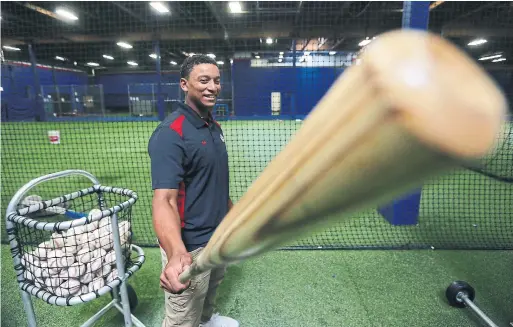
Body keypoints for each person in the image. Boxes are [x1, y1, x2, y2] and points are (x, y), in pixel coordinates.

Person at [148, 55, 239, 327]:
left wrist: (235, 219)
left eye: (217, 80)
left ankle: (206, 321)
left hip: (216, 237)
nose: (212, 87)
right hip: (190, 244)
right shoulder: (170, 133)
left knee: (210, 292)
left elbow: (215, 182)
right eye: (204, 80)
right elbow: (164, 200)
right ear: (184, 85)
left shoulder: (214, 126)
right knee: (182, 316)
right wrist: (177, 252)